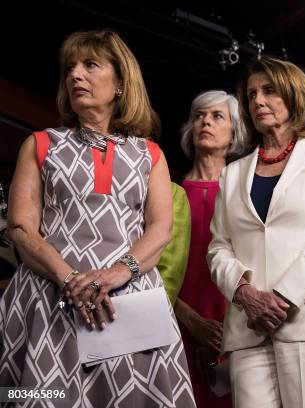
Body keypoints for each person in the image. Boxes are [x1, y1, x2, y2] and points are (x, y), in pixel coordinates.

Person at [0, 29, 195, 406]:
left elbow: (160, 229)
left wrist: (117, 274)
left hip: (129, 301)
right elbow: (21, 227)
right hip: (49, 298)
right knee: (42, 395)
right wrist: (68, 278)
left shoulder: (149, 153)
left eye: (90, 65)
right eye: (69, 68)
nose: (75, 75)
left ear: (120, 82)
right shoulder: (40, 143)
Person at [207, 56, 305, 408]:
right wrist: (245, 294)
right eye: (252, 94)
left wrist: (282, 298)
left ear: (294, 95)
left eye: (269, 91)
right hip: (248, 328)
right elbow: (218, 247)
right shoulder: (232, 173)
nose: (258, 100)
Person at [174, 90, 246, 407]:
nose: (206, 121)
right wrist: (192, 323)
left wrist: (226, 332)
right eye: (200, 115)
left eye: (217, 116)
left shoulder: (245, 193)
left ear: (234, 133)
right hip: (176, 324)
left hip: (237, 326)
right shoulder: (168, 193)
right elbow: (152, 272)